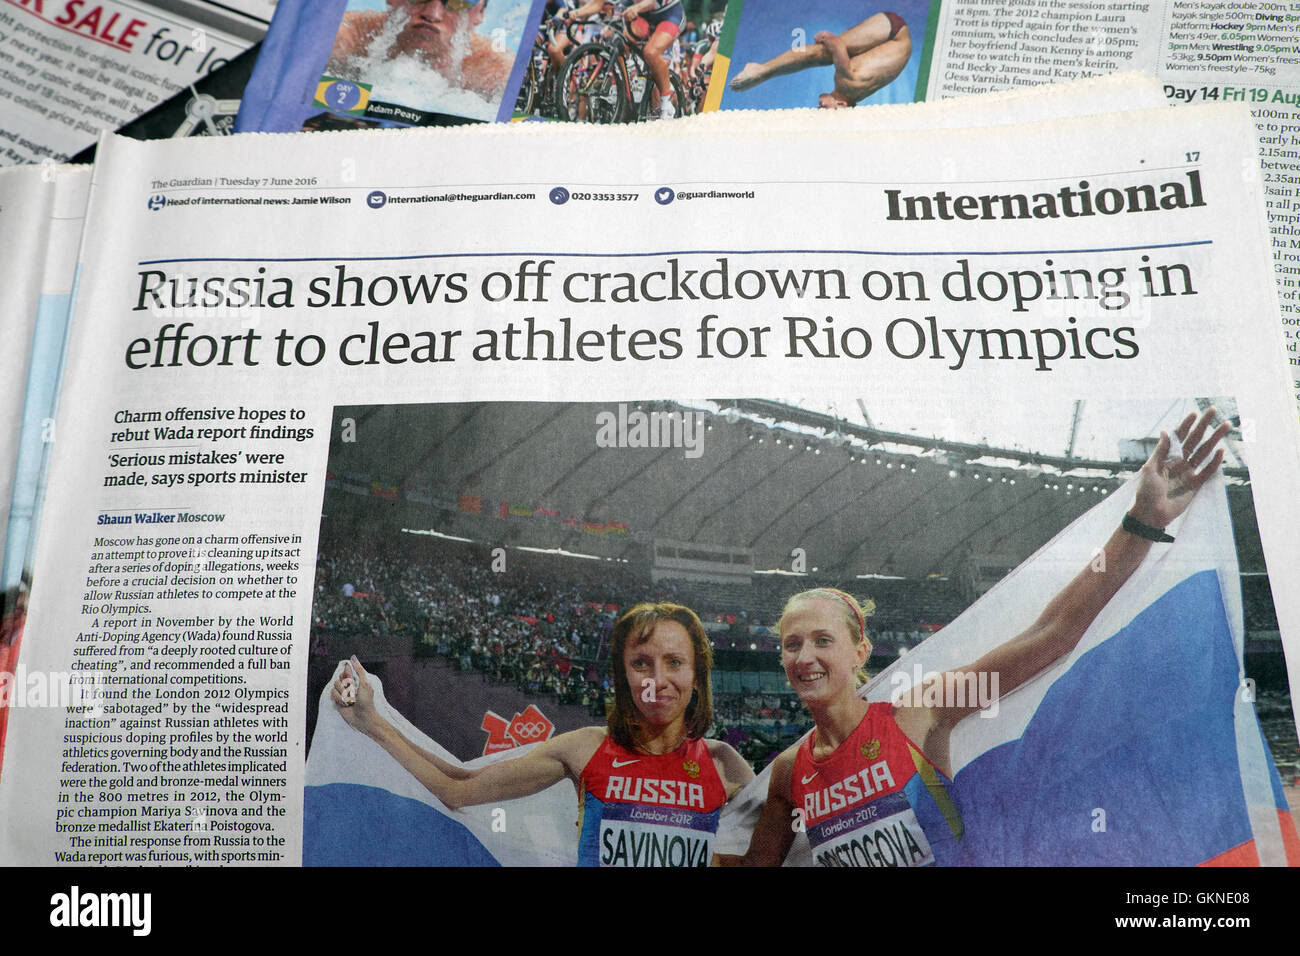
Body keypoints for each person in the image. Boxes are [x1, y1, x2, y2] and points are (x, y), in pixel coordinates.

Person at [716, 408, 1231, 866]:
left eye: (823, 640)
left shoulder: (920, 712)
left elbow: (1054, 633)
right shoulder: (789, 772)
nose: (805, 656)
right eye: (791, 645)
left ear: (861, 652)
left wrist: (1141, 522)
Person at [332, 601, 754, 866]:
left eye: (675, 662)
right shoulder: (587, 748)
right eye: (641, 663)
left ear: (697, 674)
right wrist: (373, 723)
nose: (657, 679)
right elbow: (458, 786)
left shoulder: (725, 765)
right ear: (623, 676)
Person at [327, 0, 514, 100]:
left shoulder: (495, 71)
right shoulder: (342, 37)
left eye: (457, 2)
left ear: (479, 13)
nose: (432, 14)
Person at [728, 11, 911, 108]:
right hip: (893, 31)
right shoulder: (846, 84)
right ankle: (761, 70)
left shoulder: (856, 94)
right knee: (822, 53)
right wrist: (826, 38)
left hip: (896, 42)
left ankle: (763, 70)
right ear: (841, 103)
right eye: (824, 109)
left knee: (828, 54)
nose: (819, 106)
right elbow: (837, 43)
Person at [563, 0, 684, 118]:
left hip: (669, 14)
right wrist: (575, 14)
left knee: (651, 53)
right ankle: (622, 84)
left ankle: (666, 101)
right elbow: (598, 3)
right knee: (620, 39)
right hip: (644, 15)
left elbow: (651, 2)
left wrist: (635, 8)